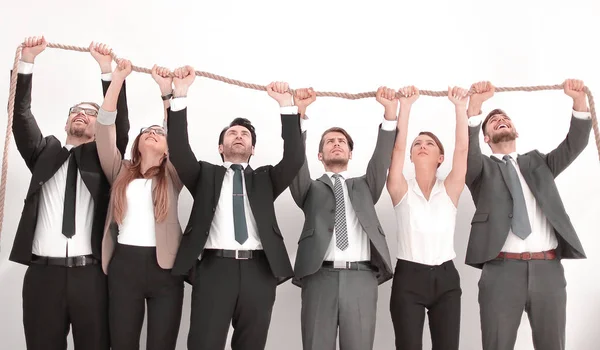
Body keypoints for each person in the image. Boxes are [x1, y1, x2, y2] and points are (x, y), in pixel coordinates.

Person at [165, 67, 305, 350]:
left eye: (245, 134)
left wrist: (286, 107)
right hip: (214, 269)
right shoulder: (204, 175)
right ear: (221, 146)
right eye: (232, 133)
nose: (239, 136)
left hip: (259, 272)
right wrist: (180, 94)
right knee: (204, 343)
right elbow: (179, 150)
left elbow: (293, 160)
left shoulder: (266, 178)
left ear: (253, 148)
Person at [9, 36, 130, 350]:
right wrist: (28, 62)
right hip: (42, 275)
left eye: (91, 113)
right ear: (66, 121)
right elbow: (21, 117)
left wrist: (107, 73)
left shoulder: (104, 159)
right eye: (76, 110)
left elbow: (121, 124)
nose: (82, 114)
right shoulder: (44, 151)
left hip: (90, 276)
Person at [465, 79, 592, 350]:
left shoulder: (539, 163)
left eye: (505, 118)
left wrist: (579, 102)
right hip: (500, 272)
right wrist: (475, 109)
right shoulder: (479, 170)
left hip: (548, 271)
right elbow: (468, 151)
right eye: (493, 120)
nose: (500, 119)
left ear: (515, 131)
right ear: (486, 137)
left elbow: (575, 145)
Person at [289, 86, 396, 350]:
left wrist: (390, 114)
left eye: (341, 142)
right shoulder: (309, 188)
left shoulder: (365, 185)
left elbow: (381, 160)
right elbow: (294, 162)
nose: (336, 144)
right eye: (329, 142)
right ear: (319, 155)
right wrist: (299, 115)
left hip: (361, 278)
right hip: (319, 276)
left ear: (350, 153)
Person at [96, 60, 185, 350]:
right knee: (122, 342)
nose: (152, 132)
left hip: (166, 268)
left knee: (162, 343)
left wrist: (167, 95)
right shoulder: (120, 170)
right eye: (146, 131)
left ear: (167, 147)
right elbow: (105, 126)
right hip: (124, 265)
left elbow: (180, 137)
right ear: (137, 143)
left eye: (159, 132)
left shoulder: (173, 174)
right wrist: (117, 79)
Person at [386, 86, 468, 350]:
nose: (422, 146)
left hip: (446, 279)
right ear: (411, 155)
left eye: (429, 143)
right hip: (409, 277)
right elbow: (396, 149)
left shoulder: (451, 188)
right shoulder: (400, 187)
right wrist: (406, 107)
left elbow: (463, 150)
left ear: (440, 157)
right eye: (417, 144)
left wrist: (459, 107)